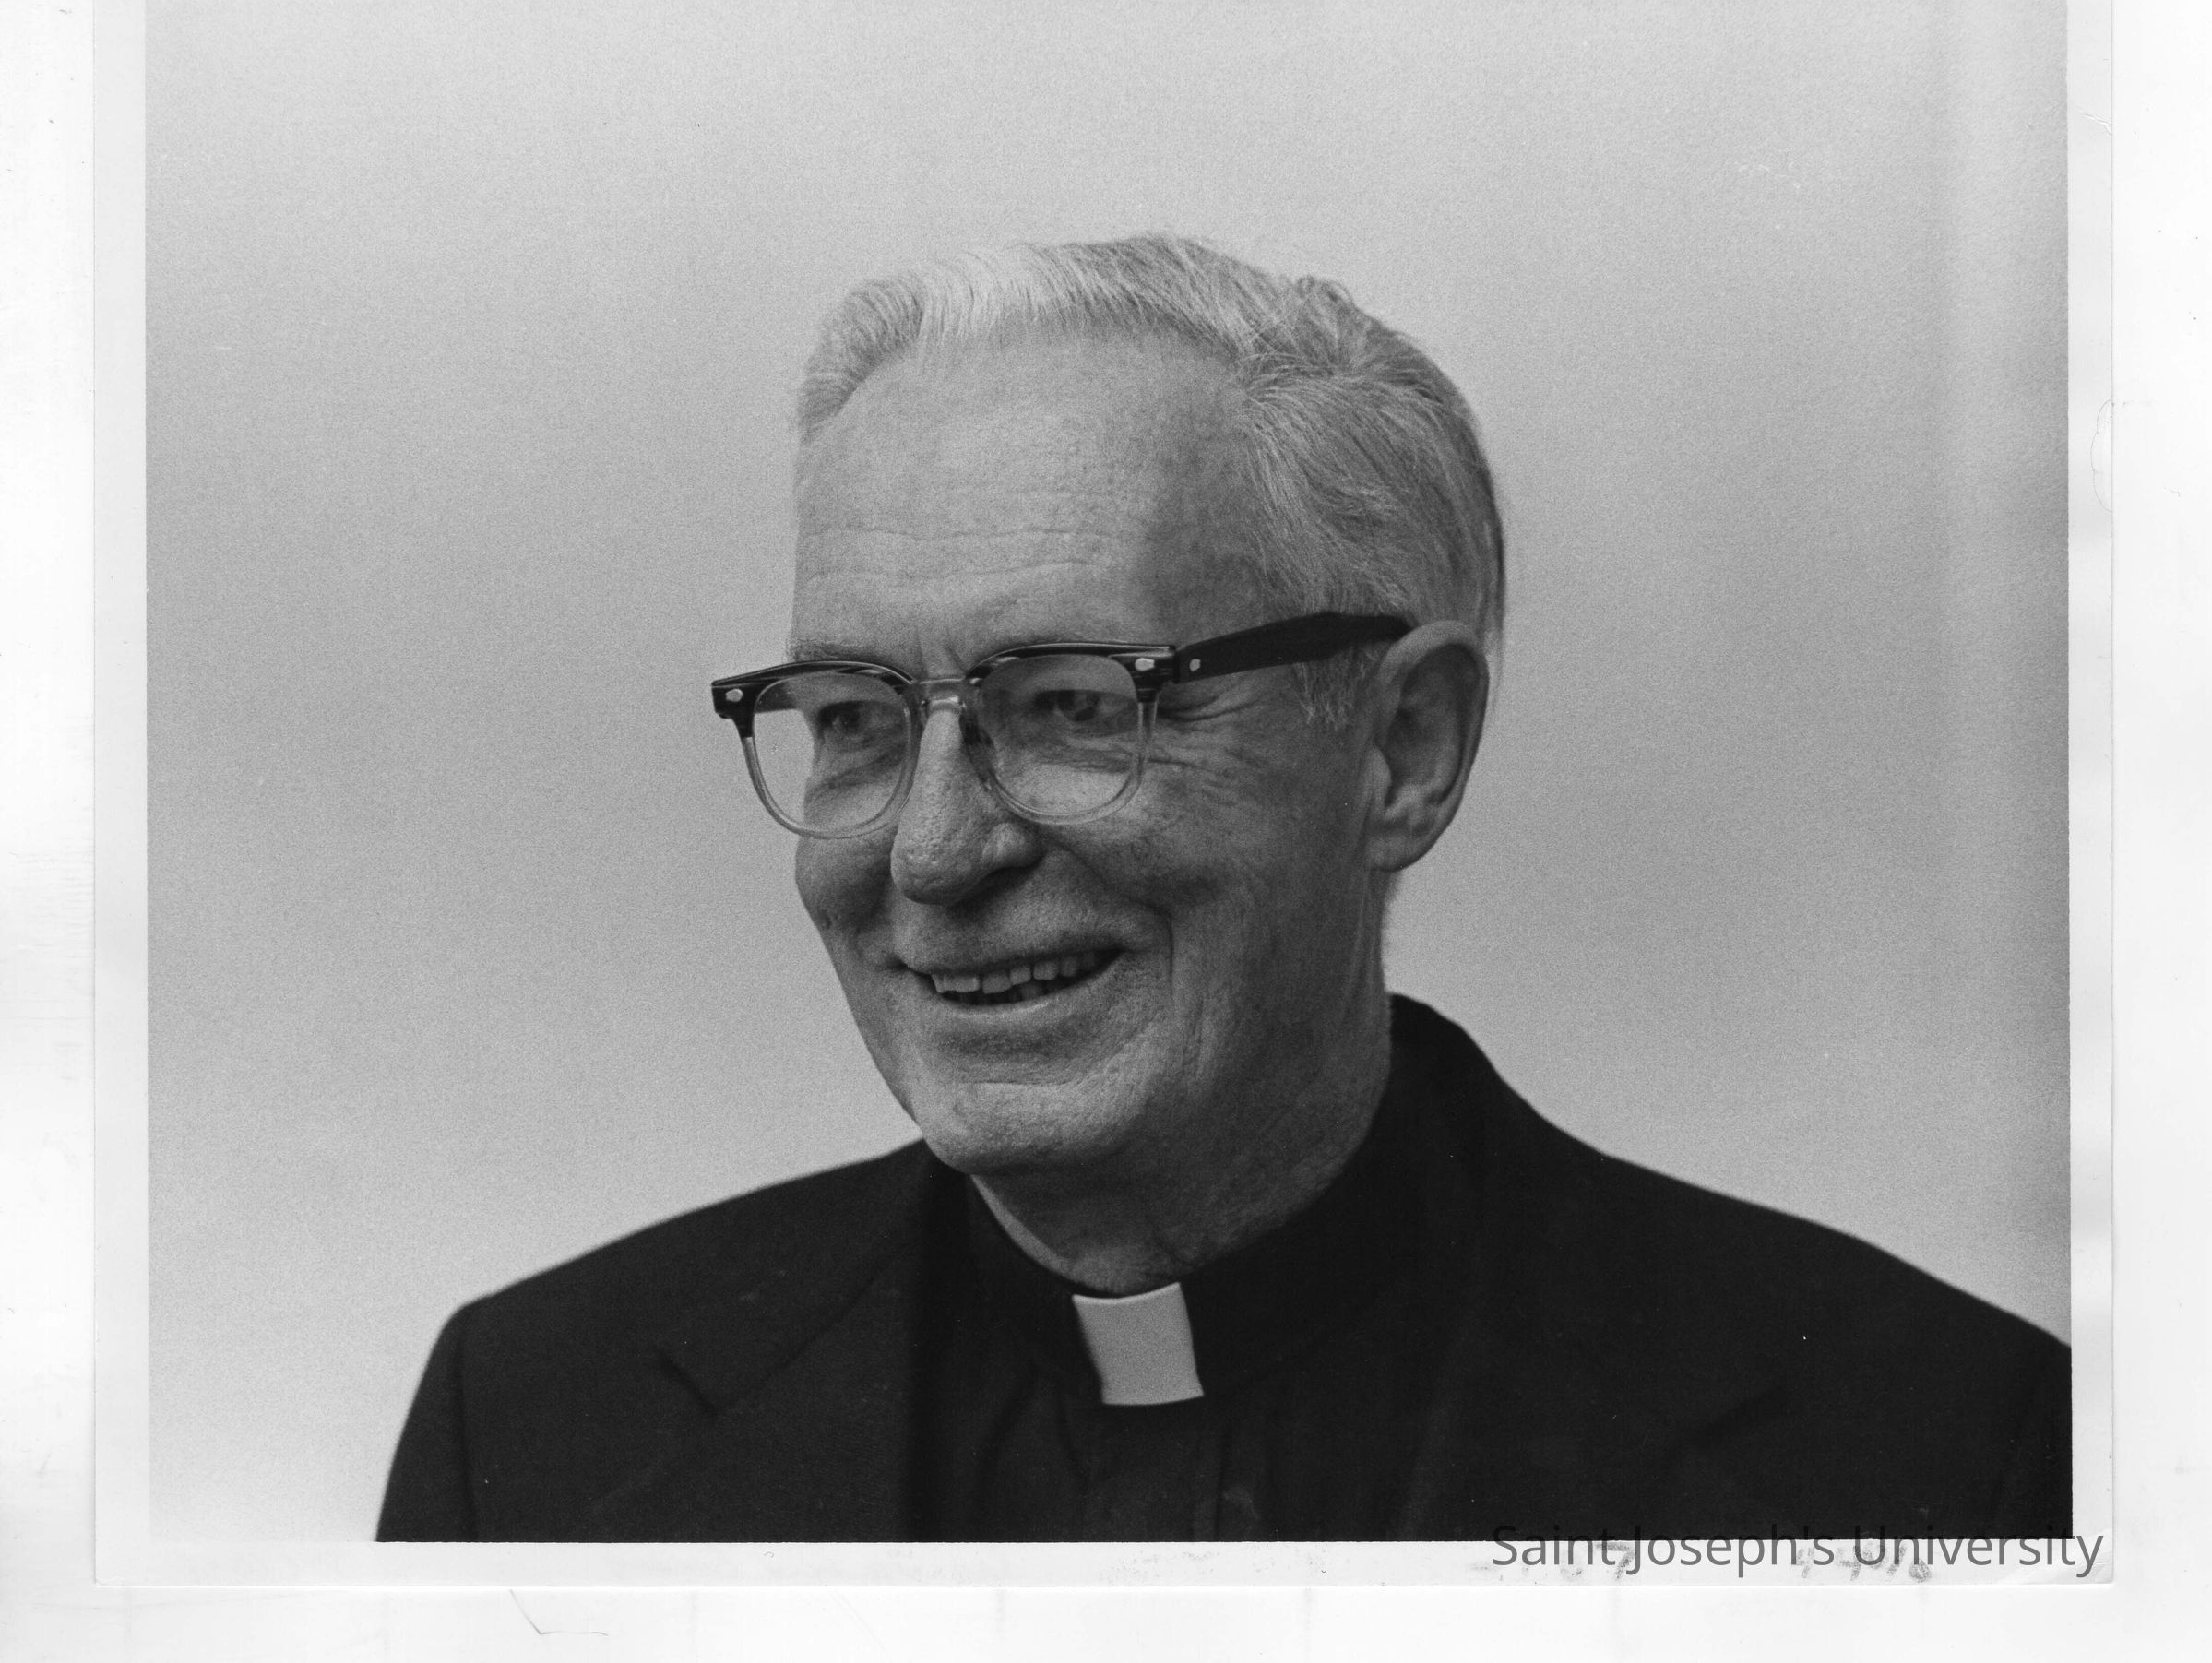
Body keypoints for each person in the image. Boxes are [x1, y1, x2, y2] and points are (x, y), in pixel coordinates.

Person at [377, 235, 2069, 1543]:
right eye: (855, 720)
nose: (935, 852)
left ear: (1402, 747)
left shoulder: (1943, 1450)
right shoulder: (529, 1431)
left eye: (1074, 707)